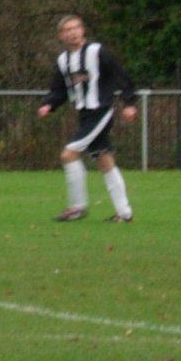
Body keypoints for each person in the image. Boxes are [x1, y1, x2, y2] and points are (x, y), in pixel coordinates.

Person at [38, 14, 137, 223]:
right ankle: (125, 213)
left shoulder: (97, 52)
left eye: (76, 27)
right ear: (61, 35)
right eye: (68, 30)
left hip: (100, 111)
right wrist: (48, 104)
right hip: (85, 115)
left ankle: (77, 207)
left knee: (68, 155)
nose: (73, 32)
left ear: (83, 30)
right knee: (104, 160)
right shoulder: (63, 61)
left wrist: (129, 103)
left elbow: (121, 76)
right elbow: (60, 90)